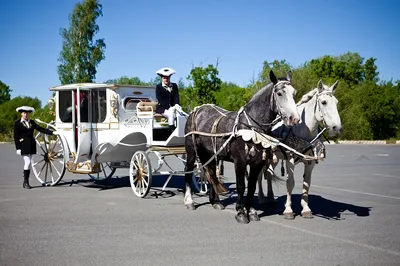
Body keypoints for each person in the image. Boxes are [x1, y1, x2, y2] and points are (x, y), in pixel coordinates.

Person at [14, 106, 57, 189]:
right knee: (28, 162)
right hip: (23, 145)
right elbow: (16, 136)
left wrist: (52, 132)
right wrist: (18, 148)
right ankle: (25, 182)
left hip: (31, 144)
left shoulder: (31, 122)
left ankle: (25, 180)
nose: (26, 115)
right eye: (24, 113)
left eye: (27, 113)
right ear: (21, 114)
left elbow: (40, 129)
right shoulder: (17, 123)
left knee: (29, 162)